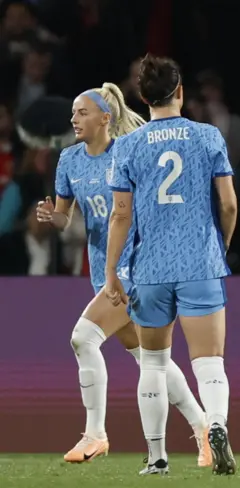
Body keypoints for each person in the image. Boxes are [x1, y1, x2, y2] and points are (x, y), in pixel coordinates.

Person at [35, 82, 212, 467]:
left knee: (83, 338)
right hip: (104, 269)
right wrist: (55, 217)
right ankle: (203, 429)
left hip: (137, 265)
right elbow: (67, 218)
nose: (73, 118)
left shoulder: (128, 152)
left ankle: (95, 434)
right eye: (73, 113)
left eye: (82, 112)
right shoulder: (69, 160)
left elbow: (136, 210)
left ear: (105, 118)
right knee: (149, 359)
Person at [105, 54, 238, 476]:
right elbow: (229, 204)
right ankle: (215, 425)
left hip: (150, 268)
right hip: (199, 262)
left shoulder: (127, 145)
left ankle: (158, 457)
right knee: (209, 362)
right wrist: (220, 245)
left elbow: (121, 215)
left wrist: (111, 271)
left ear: (142, 96)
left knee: (155, 364)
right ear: (180, 92)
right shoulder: (207, 135)